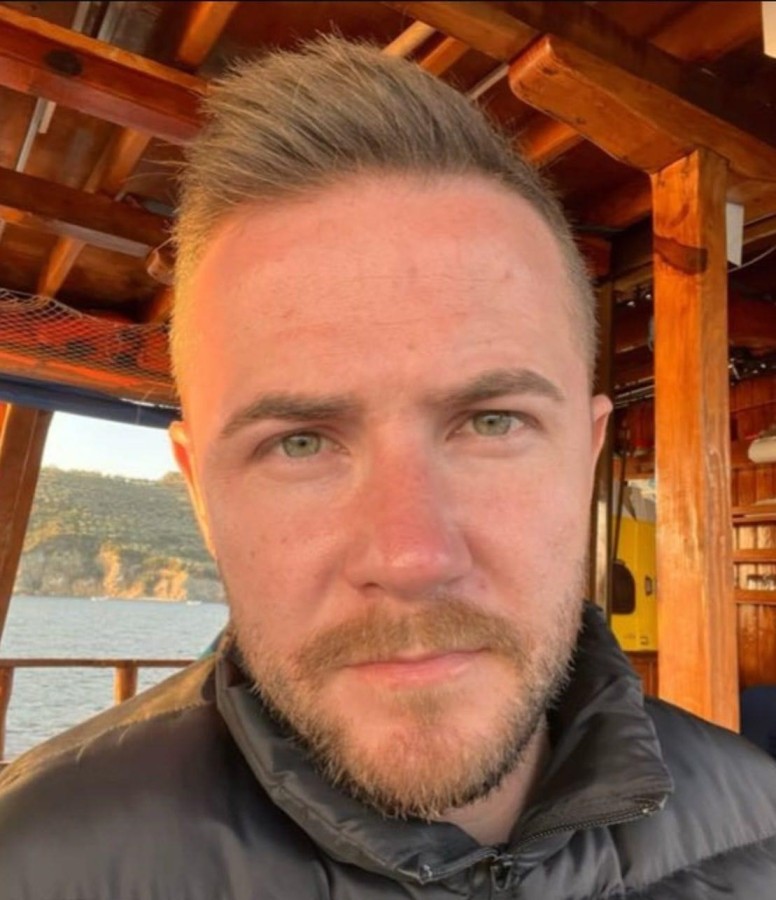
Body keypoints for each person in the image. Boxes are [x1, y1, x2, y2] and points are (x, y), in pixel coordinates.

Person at [1, 36, 775, 899]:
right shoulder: (29, 867)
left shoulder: (765, 824)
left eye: (491, 423)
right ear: (201, 493)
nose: (412, 558)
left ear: (587, 458)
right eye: (300, 442)